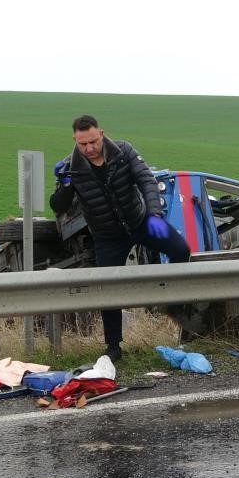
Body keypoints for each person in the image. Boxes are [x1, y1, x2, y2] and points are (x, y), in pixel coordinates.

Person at [50, 115, 191, 362]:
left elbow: (146, 180)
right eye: (83, 144)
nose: (89, 148)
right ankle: (113, 346)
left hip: (141, 222)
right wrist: (64, 185)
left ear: (101, 134)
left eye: (93, 141)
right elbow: (58, 206)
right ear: (75, 140)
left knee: (181, 250)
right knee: (108, 289)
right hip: (107, 236)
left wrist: (155, 215)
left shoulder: (123, 151)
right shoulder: (70, 167)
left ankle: (172, 301)